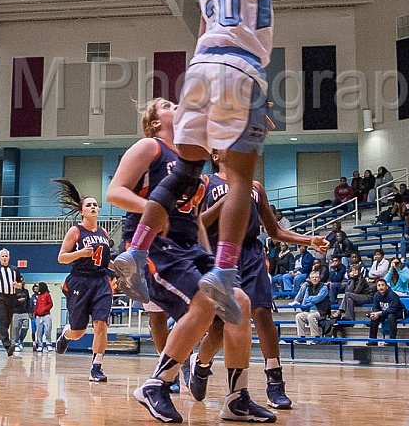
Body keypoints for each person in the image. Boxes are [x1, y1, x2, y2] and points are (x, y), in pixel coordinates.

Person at [113, 0, 289, 328]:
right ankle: (225, 272)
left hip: (198, 72)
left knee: (187, 170)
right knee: (238, 179)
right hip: (239, 71)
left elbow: (207, 42)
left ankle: (136, 249)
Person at [107, 98, 274, 423]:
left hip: (187, 247)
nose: (177, 105)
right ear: (155, 122)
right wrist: (155, 211)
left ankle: (237, 398)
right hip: (155, 243)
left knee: (238, 301)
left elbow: (197, 219)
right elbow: (115, 192)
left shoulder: (192, 160)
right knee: (203, 301)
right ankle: (157, 384)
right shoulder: (149, 147)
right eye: (167, 105)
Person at [189, 153, 328, 409]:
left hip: (252, 253)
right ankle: (201, 364)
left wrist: (309, 240)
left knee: (263, 313)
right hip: (221, 253)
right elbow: (197, 222)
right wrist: (227, 200)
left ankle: (275, 381)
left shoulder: (254, 186)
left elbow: (274, 231)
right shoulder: (206, 183)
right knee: (220, 327)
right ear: (216, 154)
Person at [53, 180, 112, 381]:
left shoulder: (103, 232)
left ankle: (96, 367)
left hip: (101, 281)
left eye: (96, 204)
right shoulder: (75, 231)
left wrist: (121, 269)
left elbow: (105, 261)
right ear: (82, 212)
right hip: (80, 281)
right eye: (89, 205)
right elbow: (61, 258)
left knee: (101, 325)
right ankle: (65, 335)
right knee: (78, 331)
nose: (93, 207)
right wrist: (79, 253)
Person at [292, 270, 331, 344]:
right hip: (310, 310)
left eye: (316, 277)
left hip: (321, 311)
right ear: (310, 279)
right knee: (299, 316)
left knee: (311, 316)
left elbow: (319, 298)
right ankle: (301, 337)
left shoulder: (324, 287)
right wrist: (312, 299)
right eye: (312, 277)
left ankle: (316, 337)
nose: (314, 279)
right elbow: (306, 300)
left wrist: (311, 299)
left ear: (319, 279)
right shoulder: (308, 287)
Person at [366, 279, 403, 346]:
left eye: (383, 285)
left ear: (387, 287)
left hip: (398, 312)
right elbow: (376, 307)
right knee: (374, 318)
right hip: (385, 313)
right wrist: (375, 313)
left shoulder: (392, 294)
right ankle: (373, 340)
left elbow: (393, 309)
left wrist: (379, 313)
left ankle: (392, 341)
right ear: (377, 288)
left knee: (391, 316)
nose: (381, 287)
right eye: (379, 285)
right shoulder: (376, 295)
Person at [33, 282, 53, 352]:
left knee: (47, 330)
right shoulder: (38, 296)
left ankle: (49, 345)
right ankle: (40, 345)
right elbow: (37, 306)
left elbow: (50, 304)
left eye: (38, 286)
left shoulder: (47, 295)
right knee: (39, 331)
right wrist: (35, 313)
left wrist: (44, 310)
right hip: (38, 316)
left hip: (46, 316)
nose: (37, 288)